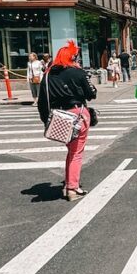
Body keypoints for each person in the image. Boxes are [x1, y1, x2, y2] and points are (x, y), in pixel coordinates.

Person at [38, 40, 96, 201]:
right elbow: (92, 93)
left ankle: (70, 183)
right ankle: (72, 188)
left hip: (59, 116)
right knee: (77, 152)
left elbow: (42, 102)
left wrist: (46, 121)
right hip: (77, 114)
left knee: (71, 151)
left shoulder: (48, 74)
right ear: (73, 57)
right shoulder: (78, 72)